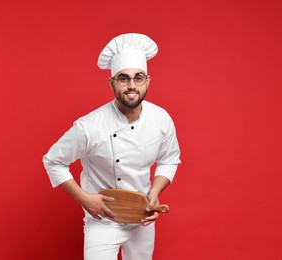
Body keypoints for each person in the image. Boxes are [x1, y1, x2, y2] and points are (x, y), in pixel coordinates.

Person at [43, 33, 181, 260]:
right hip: (102, 221)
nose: (131, 85)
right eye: (123, 78)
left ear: (148, 80)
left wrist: (155, 193)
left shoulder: (161, 119)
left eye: (138, 78)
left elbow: (169, 159)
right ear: (112, 82)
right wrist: (84, 198)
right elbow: (53, 161)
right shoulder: (89, 126)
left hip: (142, 218)